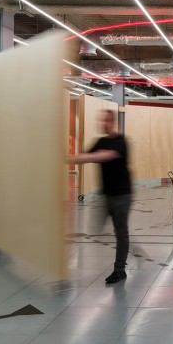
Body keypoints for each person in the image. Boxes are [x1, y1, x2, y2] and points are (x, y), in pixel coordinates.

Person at [67, 110, 131, 285]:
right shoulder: (101, 141)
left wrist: (90, 156)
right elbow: (85, 157)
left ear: (113, 122)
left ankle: (120, 269)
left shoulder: (121, 142)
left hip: (122, 195)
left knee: (121, 232)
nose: (104, 124)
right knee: (98, 230)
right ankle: (128, 247)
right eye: (102, 121)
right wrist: (68, 159)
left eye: (106, 121)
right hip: (107, 194)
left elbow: (104, 156)